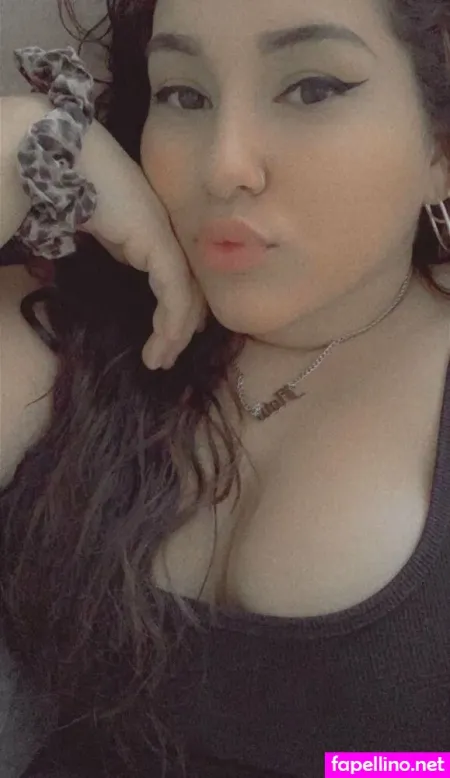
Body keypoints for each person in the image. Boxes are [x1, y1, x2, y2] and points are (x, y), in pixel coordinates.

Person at [1, 0, 450, 776]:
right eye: (183, 94)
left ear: (440, 146)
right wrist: (26, 139)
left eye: (311, 88)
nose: (223, 165)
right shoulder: (69, 328)